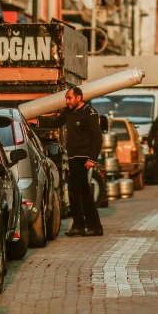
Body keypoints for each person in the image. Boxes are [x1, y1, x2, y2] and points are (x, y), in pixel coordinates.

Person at [38, 85, 103, 236]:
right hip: (73, 158)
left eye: (69, 98)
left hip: (84, 158)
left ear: (78, 98)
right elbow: (55, 122)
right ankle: (87, 226)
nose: (67, 101)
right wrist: (38, 122)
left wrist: (92, 159)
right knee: (80, 192)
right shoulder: (69, 112)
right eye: (66, 98)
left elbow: (97, 138)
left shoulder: (90, 113)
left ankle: (86, 225)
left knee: (78, 192)